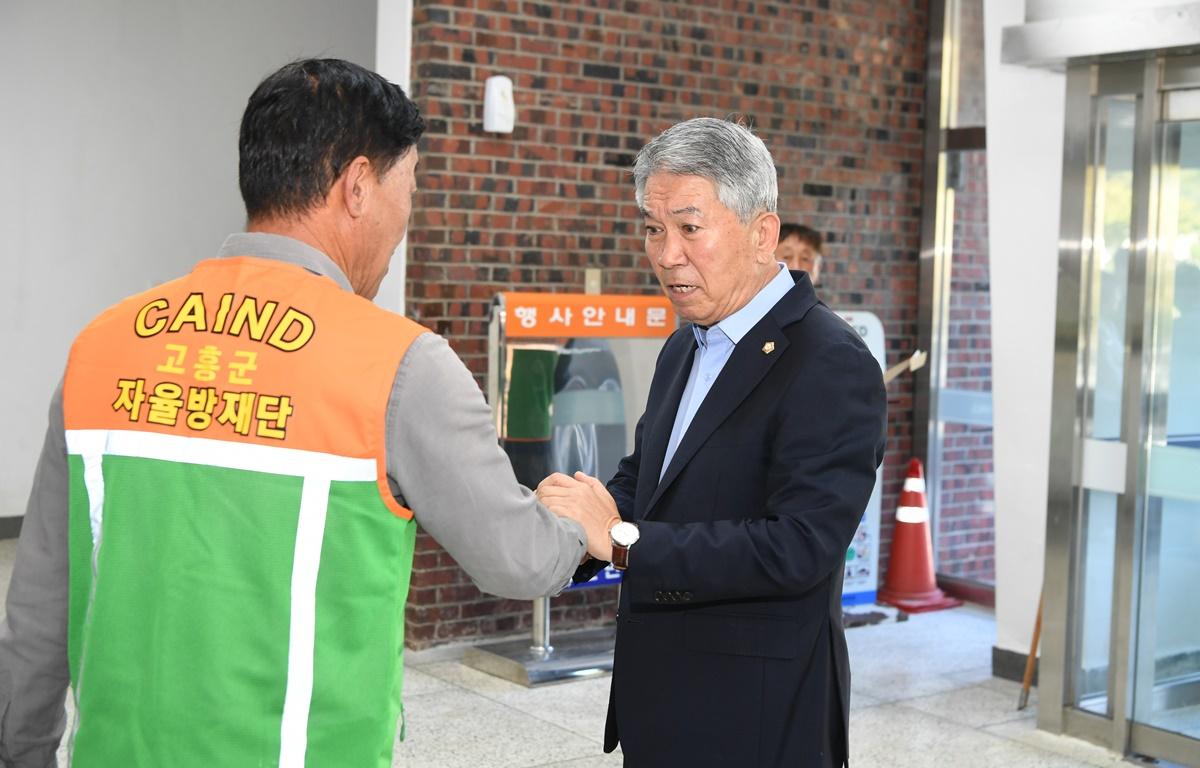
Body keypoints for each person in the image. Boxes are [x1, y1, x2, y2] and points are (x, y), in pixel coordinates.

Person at [0, 58, 588, 768]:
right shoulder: (399, 364)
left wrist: (22, 751)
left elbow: (37, 604)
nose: (407, 219)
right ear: (359, 187)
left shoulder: (104, 345)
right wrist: (577, 523)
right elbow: (518, 561)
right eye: (410, 190)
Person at [538, 117, 887, 767]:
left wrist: (618, 541)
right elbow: (650, 479)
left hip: (755, 719)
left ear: (762, 234)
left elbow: (799, 548)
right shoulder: (684, 346)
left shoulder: (829, 361)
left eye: (690, 228)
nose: (667, 255)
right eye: (652, 228)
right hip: (659, 704)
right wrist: (567, 525)